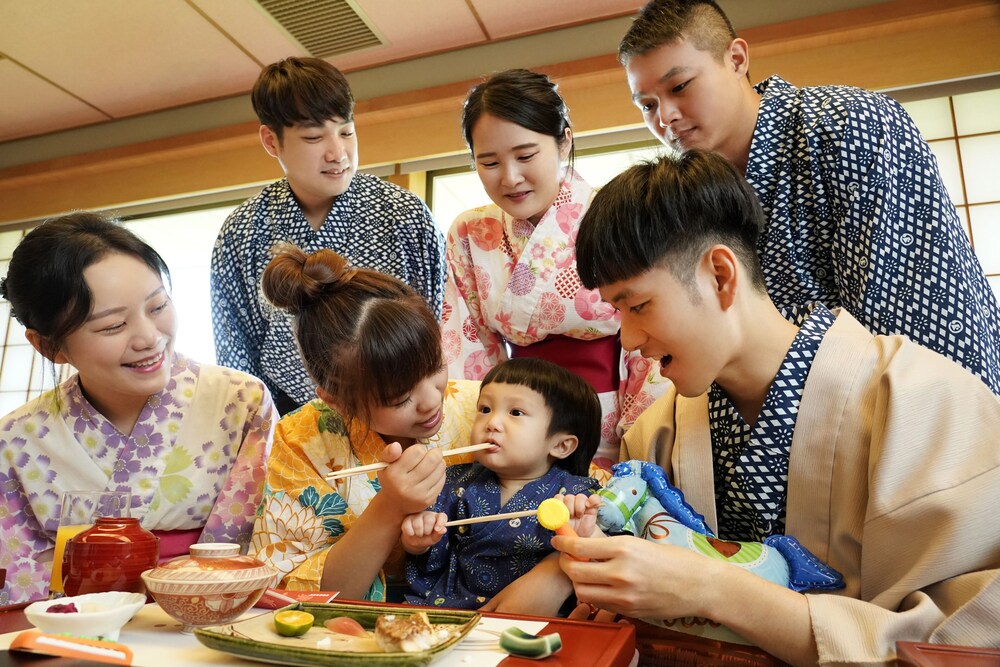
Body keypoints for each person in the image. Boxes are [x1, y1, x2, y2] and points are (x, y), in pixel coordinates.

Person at [552, 151, 1000, 665]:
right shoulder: (657, 434)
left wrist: (716, 589)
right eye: (617, 312)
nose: (628, 338)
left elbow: (969, 634)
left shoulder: (925, 400)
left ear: (720, 275)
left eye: (638, 306)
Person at [617, 0, 1000, 395]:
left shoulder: (851, 124)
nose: (666, 117)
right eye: (647, 105)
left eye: (680, 87)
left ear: (736, 59)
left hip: (903, 412)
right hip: (787, 427)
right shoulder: (692, 195)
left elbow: (917, 321)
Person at [0, 212, 274, 606]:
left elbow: (261, 543)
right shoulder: (14, 441)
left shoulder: (240, 401)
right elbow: (18, 584)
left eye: (158, 306)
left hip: (214, 617)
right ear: (49, 346)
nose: (149, 337)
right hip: (76, 631)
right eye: (113, 326)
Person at [442, 69, 668, 471]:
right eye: (489, 162)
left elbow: (648, 347)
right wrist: (487, 437)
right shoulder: (469, 232)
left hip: (608, 422)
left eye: (526, 156)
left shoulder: (617, 216)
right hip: (515, 434)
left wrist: (639, 439)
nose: (510, 178)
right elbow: (469, 352)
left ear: (564, 140)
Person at [211, 56, 447, 416]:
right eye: (313, 136)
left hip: (402, 408)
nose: (338, 153)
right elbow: (236, 355)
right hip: (290, 417)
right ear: (271, 141)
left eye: (347, 131)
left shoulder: (404, 214)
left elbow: (436, 324)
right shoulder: (243, 231)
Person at [248, 245, 481, 602]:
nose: (433, 399)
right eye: (399, 398)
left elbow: (575, 486)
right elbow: (290, 593)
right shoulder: (302, 441)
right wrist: (389, 507)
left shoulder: (484, 407)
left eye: (435, 366)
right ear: (336, 400)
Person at [401, 357, 600, 609]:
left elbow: (599, 555)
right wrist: (418, 540)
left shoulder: (575, 494)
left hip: (541, 618)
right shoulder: (454, 481)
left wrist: (583, 525)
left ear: (561, 445)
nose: (492, 423)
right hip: (457, 607)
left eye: (516, 412)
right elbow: (430, 556)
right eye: (485, 409)